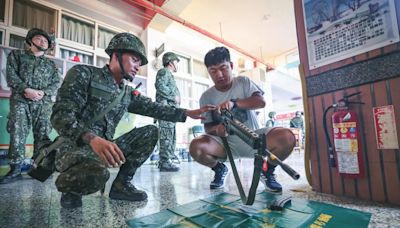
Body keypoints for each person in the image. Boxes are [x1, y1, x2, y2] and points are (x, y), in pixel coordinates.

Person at [50, 32, 214, 209]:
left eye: (140, 63)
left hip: (105, 147)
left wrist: (187, 112)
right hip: (74, 148)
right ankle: (70, 189)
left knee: (151, 132)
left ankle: (122, 185)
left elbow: (154, 108)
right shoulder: (83, 74)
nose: (138, 67)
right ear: (116, 55)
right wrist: (92, 139)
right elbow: (60, 116)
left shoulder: (126, 93)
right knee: (97, 174)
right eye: (135, 60)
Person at [189, 47, 296, 193]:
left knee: (287, 137)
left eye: (223, 68)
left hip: (254, 139)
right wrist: (217, 130)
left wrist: (235, 103)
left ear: (231, 66)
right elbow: (208, 128)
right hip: (226, 145)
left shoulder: (243, 82)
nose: (219, 75)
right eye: (213, 71)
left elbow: (260, 102)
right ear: (208, 72)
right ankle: (219, 169)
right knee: (196, 147)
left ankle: (267, 170)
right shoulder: (206, 97)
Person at [0, 28, 60, 184]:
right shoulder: (17, 56)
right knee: (17, 132)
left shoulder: (51, 65)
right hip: (21, 101)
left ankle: (38, 167)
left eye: (46, 41)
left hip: (43, 103)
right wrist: (26, 90)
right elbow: (11, 75)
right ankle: (15, 170)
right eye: (39, 38)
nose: (42, 42)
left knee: (42, 135)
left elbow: (56, 83)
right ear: (31, 40)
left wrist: (42, 93)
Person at [155, 52, 181, 172]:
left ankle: (167, 160)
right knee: (166, 135)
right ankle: (164, 161)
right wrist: (173, 96)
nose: (177, 64)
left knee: (170, 135)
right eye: (176, 62)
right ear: (171, 62)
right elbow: (159, 86)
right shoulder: (164, 72)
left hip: (170, 111)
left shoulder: (170, 75)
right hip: (166, 111)